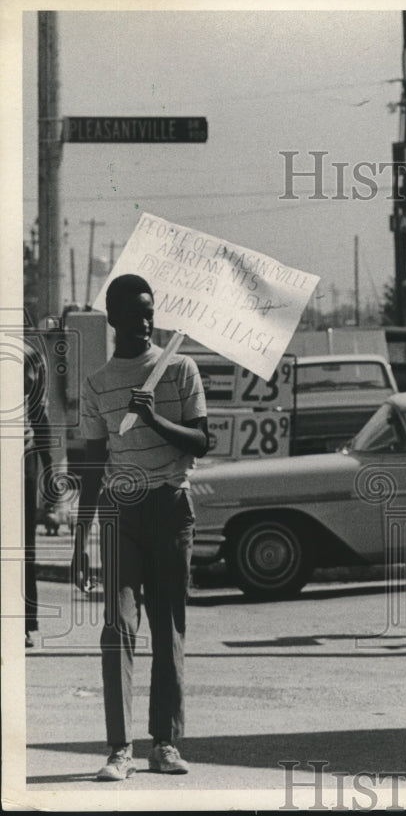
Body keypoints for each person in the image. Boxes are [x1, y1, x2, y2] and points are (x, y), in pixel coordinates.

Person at [72, 274, 209, 782]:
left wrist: (153, 420)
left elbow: (201, 441)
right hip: (121, 512)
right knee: (118, 627)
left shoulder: (180, 369)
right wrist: (81, 538)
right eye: (133, 315)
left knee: (168, 629)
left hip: (171, 507)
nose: (145, 323)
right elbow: (92, 465)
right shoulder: (97, 384)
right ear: (113, 319)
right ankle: (119, 748)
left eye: (149, 313)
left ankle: (165, 743)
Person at [23, 332, 54, 648]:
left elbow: (39, 415)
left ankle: (23, 621)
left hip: (21, 460)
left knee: (23, 546)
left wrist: (50, 469)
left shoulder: (30, 356)